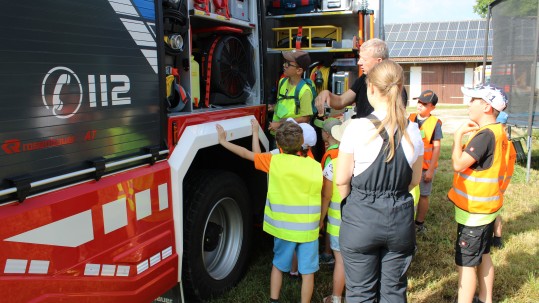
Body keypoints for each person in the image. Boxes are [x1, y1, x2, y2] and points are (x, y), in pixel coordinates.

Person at [335, 60, 424, 303]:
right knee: (394, 292)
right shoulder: (414, 131)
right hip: (400, 219)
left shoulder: (356, 128)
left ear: (371, 89)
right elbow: (414, 180)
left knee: (360, 293)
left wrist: (354, 205)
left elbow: (342, 179)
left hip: (360, 218)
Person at [216, 120, 322, 303]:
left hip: (283, 229)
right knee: (308, 272)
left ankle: (274, 300)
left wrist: (224, 142)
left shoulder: (274, 162)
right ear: (301, 142)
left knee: (279, 265)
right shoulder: (315, 166)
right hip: (308, 231)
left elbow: (246, 154)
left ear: (279, 145)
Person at [448, 85, 516, 303]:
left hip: (474, 214)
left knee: (466, 264)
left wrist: (458, 136)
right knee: (484, 255)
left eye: (473, 100)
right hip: (487, 210)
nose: (469, 104)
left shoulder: (485, 136)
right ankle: (485, 299)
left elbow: (459, 164)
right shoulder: (498, 132)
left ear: (486, 106)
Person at [315, 38, 408, 118]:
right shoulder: (363, 79)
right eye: (360, 58)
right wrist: (327, 94)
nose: (359, 63)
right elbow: (341, 101)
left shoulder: (394, 86)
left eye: (364, 59)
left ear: (379, 61)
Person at [316, 118, 348, 303]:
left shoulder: (332, 164)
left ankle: (336, 298)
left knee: (341, 262)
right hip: (360, 225)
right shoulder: (363, 161)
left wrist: (321, 219)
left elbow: (326, 196)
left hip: (337, 225)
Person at [409, 90, 443, 234]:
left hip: (425, 168)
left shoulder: (435, 123)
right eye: (419, 102)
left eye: (424, 104)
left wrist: (430, 170)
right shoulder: (409, 118)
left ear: (432, 107)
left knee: (423, 194)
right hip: (410, 165)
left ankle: (419, 224)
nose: (420, 106)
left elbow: (436, 147)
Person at [314, 118, 342, 267]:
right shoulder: (343, 150)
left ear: (327, 134)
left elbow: (327, 189)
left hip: (333, 198)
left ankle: (327, 253)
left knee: (330, 223)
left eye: (322, 130)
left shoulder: (329, 156)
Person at [269, 51, 313, 135]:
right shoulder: (282, 82)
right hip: (278, 134)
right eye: (285, 62)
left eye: (288, 64)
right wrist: (274, 107)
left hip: (291, 138)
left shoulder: (305, 91)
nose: (284, 66)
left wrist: (279, 125)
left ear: (299, 70)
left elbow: (305, 118)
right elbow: (283, 104)